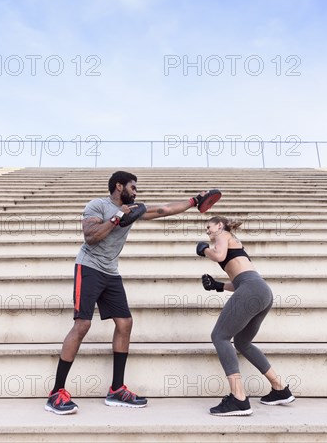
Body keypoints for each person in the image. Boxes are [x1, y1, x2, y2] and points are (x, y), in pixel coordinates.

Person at [46, 170, 217, 414]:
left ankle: (116, 389)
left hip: (110, 272)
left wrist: (193, 201)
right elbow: (90, 236)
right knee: (82, 325)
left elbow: (162, 210)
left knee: (125, 323)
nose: (136, 192)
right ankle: (56, 393)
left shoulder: (133, 210)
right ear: (119, 186)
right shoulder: (98, 205)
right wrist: (117, 218)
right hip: (89, 267)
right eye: (133, 187)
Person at [197, 215, 295, 416]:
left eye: (209, 226)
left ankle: (239, 398)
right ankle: (279, 389)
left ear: (219, 225)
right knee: (242, 342)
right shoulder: (235, 244)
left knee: (219, 337)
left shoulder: (222, 234)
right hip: (261, 291)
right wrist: (218, 286)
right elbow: (241, 280)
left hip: (252, 289)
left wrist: (204, 249)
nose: (207, 231)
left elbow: (219, 255)